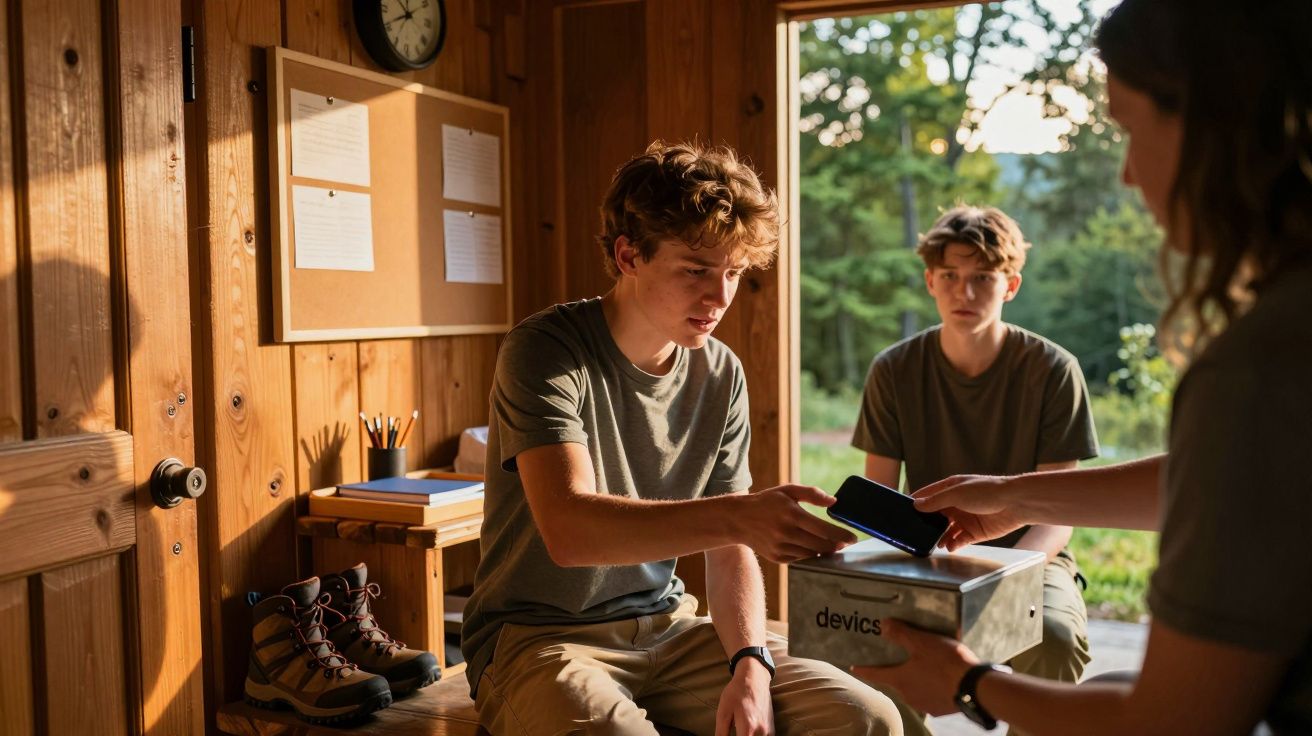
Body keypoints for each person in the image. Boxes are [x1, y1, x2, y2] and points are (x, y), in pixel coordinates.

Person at [853, 1, 1312, 734]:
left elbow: (1174, 718)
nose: (1127, 175)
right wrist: (1012, 493)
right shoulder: (1283, 341)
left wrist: (972, 684)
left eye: (1131, 131)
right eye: (949, 275)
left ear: (1217, 129)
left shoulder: (1258, 367)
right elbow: (1215, 477)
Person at [462, 141, 901, 735]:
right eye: (696, 270)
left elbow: (729, 550)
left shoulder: (722, 372)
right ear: (628, 255)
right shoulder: (546, 349)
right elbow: (569, 530)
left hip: (670, 628)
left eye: (735, 274)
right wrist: (739, 516)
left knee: (866, 716)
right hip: (540, 638)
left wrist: (751, 662)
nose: (719, 298)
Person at [851, 204, 1097, 735]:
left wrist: (1000, 579)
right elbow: (878, 500)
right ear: (930, 282)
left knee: (1053, 635)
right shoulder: (894, 369)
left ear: (1010, 285)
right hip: (926, 553)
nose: (964, 293)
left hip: (1032, 556)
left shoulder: (1054, 370)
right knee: (875, 635)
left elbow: (1058, 513)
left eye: (982, 278)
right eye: (950, 277)